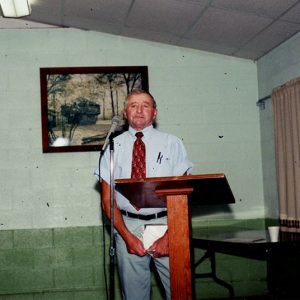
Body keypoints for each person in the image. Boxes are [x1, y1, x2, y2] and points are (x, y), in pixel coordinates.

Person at [96, 89, 193, 300]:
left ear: (155, 113)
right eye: (133, 105)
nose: (139, 110)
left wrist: (169, 236)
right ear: (125, 112)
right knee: (134, 296)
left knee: (179, 292)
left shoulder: (172, 143)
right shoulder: (113, 147)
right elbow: (107, 200)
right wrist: (127, 237)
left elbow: (183, 195)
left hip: (168, 225)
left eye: (145, 105)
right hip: (127, 228)